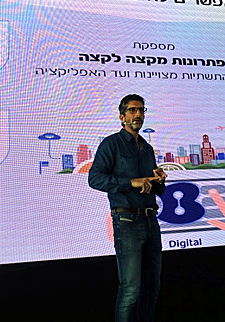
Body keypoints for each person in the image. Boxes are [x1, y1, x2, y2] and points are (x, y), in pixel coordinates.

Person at [88, 94, 167, 322]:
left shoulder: (147, 148)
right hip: (127, 223)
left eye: (141, 110)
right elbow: (95, 179)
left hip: (151, 221)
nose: (138, 114)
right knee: (131, 289)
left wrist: (159, 180)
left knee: (151, 289)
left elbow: (155, 189)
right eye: (133, 110)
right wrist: (130, 182)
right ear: (122, 117)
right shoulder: (111, 144)